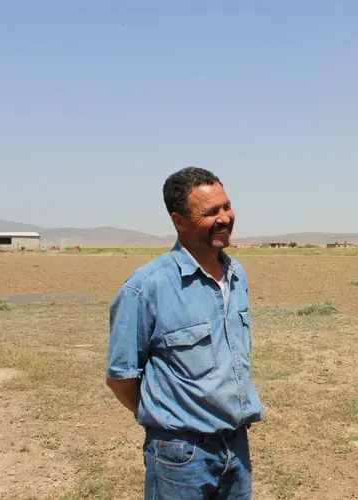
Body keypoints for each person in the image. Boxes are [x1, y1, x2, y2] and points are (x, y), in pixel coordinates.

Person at [105, 166, 264, 500]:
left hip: (236, 447)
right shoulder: (146, 288)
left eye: (226, 206)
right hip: (180, 457)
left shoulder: (237, 275)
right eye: (210, 212)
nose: (225, 218)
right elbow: (121, 378)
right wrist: (167, 420)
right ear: (179, 221)